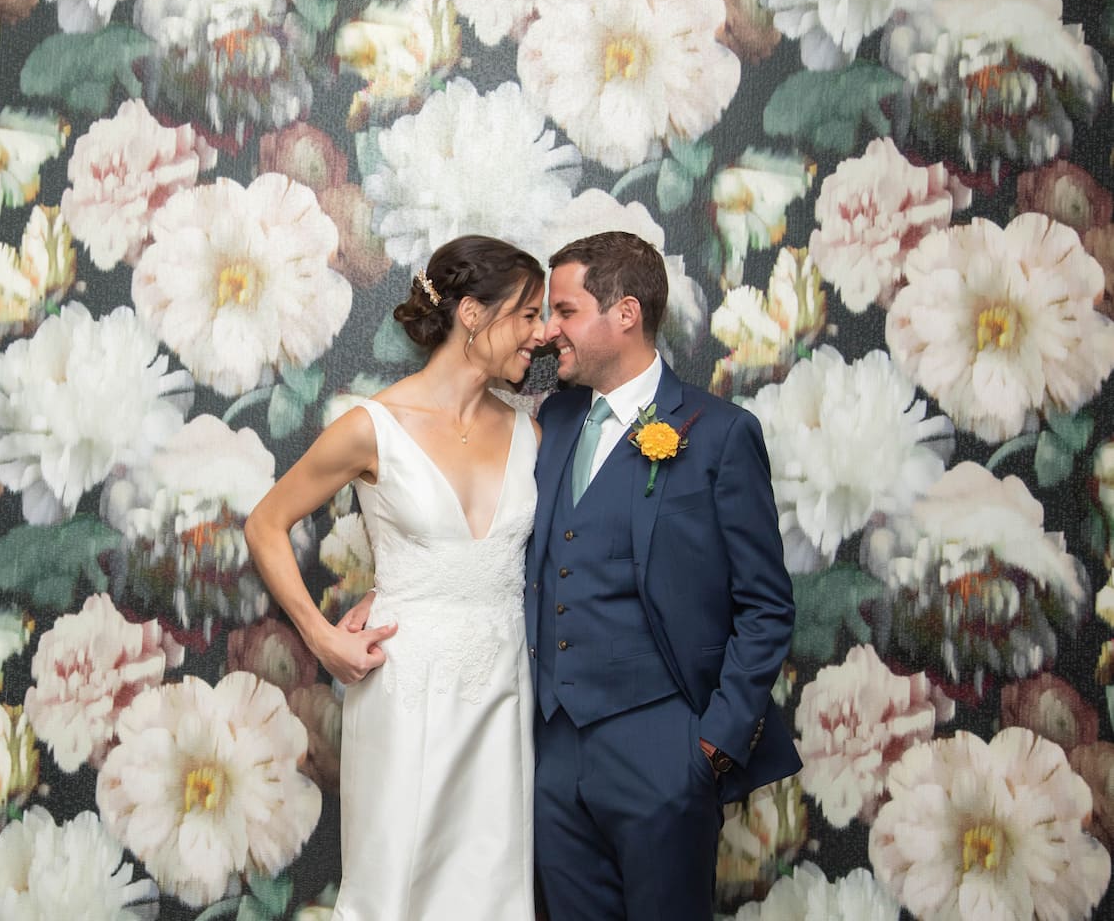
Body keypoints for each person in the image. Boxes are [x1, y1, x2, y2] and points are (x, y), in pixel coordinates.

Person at [246, 235, 547, 920]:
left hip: (504, 689)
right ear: (472, 313)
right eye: (528, 315)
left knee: (492, 888)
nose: (542, 334)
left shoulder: (530, 433)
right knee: (397, 884)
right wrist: (321, 636)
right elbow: (265, 524)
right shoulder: (372, 428)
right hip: (406, 687)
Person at [528, 231, 800, 920]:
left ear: (625, 313)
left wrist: (711, 746)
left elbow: (767, 605)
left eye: (564, 311)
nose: (547, 331)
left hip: (664, 750)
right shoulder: (552, 420)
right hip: (554, 753)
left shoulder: (720, 434)